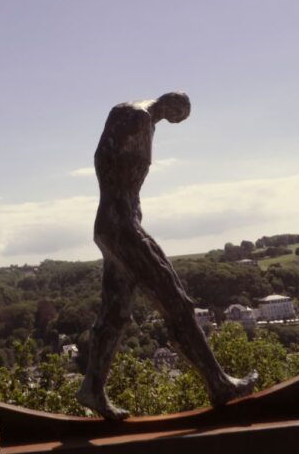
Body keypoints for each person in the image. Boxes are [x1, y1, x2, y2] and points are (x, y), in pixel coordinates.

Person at [77, 92, 256, 419]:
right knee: (177, 304)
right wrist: (124, 213)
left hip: (119, 225)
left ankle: (92, 389)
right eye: (180, 114)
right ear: (173, 103)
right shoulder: (136, 116)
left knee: (115, 313)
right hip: (121, 228)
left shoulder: (142, 121)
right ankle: (218, 384)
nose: (178, 120)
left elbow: (121, 176)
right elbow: (105, 163)